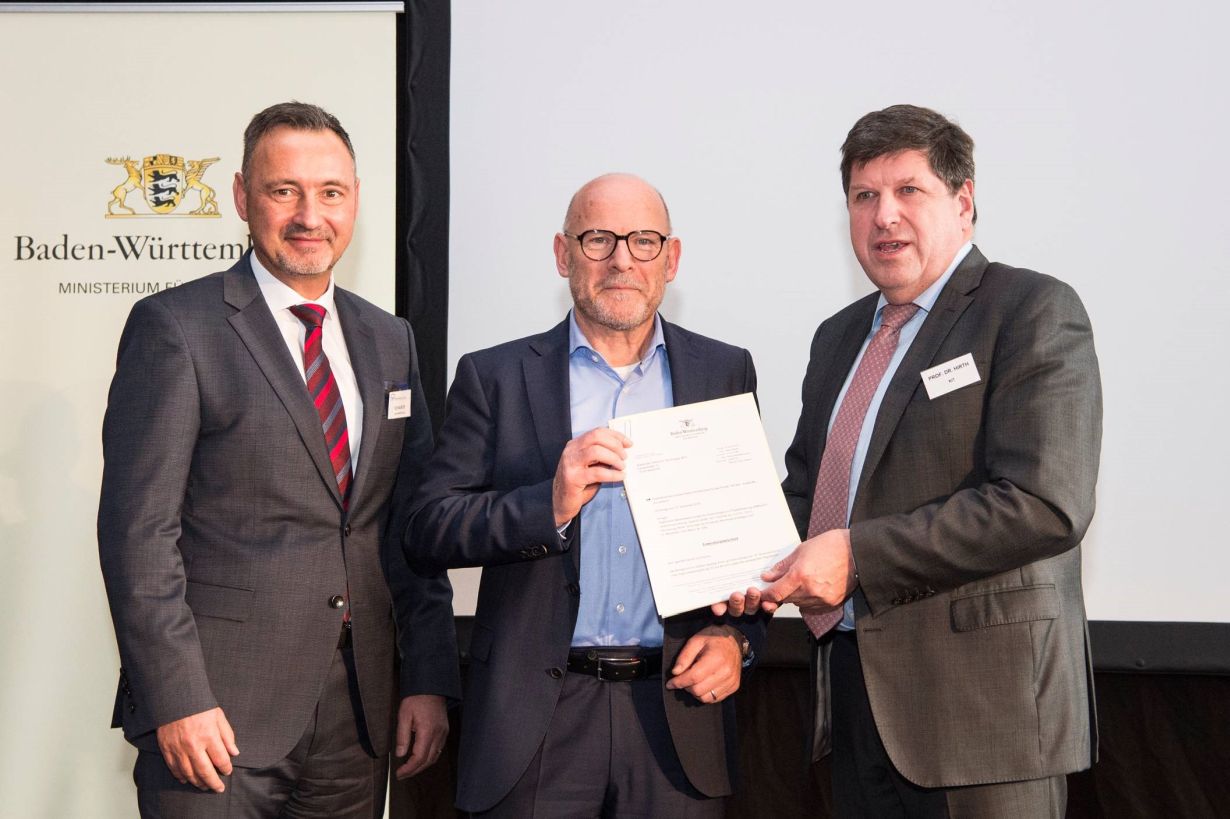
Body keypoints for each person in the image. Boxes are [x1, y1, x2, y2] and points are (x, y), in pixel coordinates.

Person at [720, 104, 1101, 817]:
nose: (883, 215)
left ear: (963, 202)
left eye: (908, 191)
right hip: (857, 702)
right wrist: (732, 564)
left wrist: (857, 556)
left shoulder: (1029, 309)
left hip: (985, 718)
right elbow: (805, 495)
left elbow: (1044, 502)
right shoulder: (839, 338)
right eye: (864, 196)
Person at [97, 101, 461, 817]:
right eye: (283, 190)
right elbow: (138, 536)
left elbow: (405, 526)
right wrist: (178, 697)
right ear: (241, 196)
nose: (309, 214)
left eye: (331, 192)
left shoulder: (390, 341)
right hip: (216, 717)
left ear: (355, 200)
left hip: (357, 716)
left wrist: (425, 675)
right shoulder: (176, 328)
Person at [405, 173, 766, 817]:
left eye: (644, 241)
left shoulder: (724, 370)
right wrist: (548, 503)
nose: (622, 259)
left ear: (672, 259)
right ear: (562, 253)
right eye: (598, 239)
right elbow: (430, 526)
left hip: (674, 711)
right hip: (537, 719)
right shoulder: (493, 376)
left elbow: (748, 537)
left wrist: (736, 639)